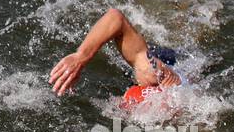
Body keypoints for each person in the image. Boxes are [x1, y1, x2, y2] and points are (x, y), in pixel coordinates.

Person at [49, 7, 191, 107]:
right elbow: (116, 18)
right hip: (165, 60)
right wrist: (81, 56)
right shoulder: (152, 74)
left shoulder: (187, 105)